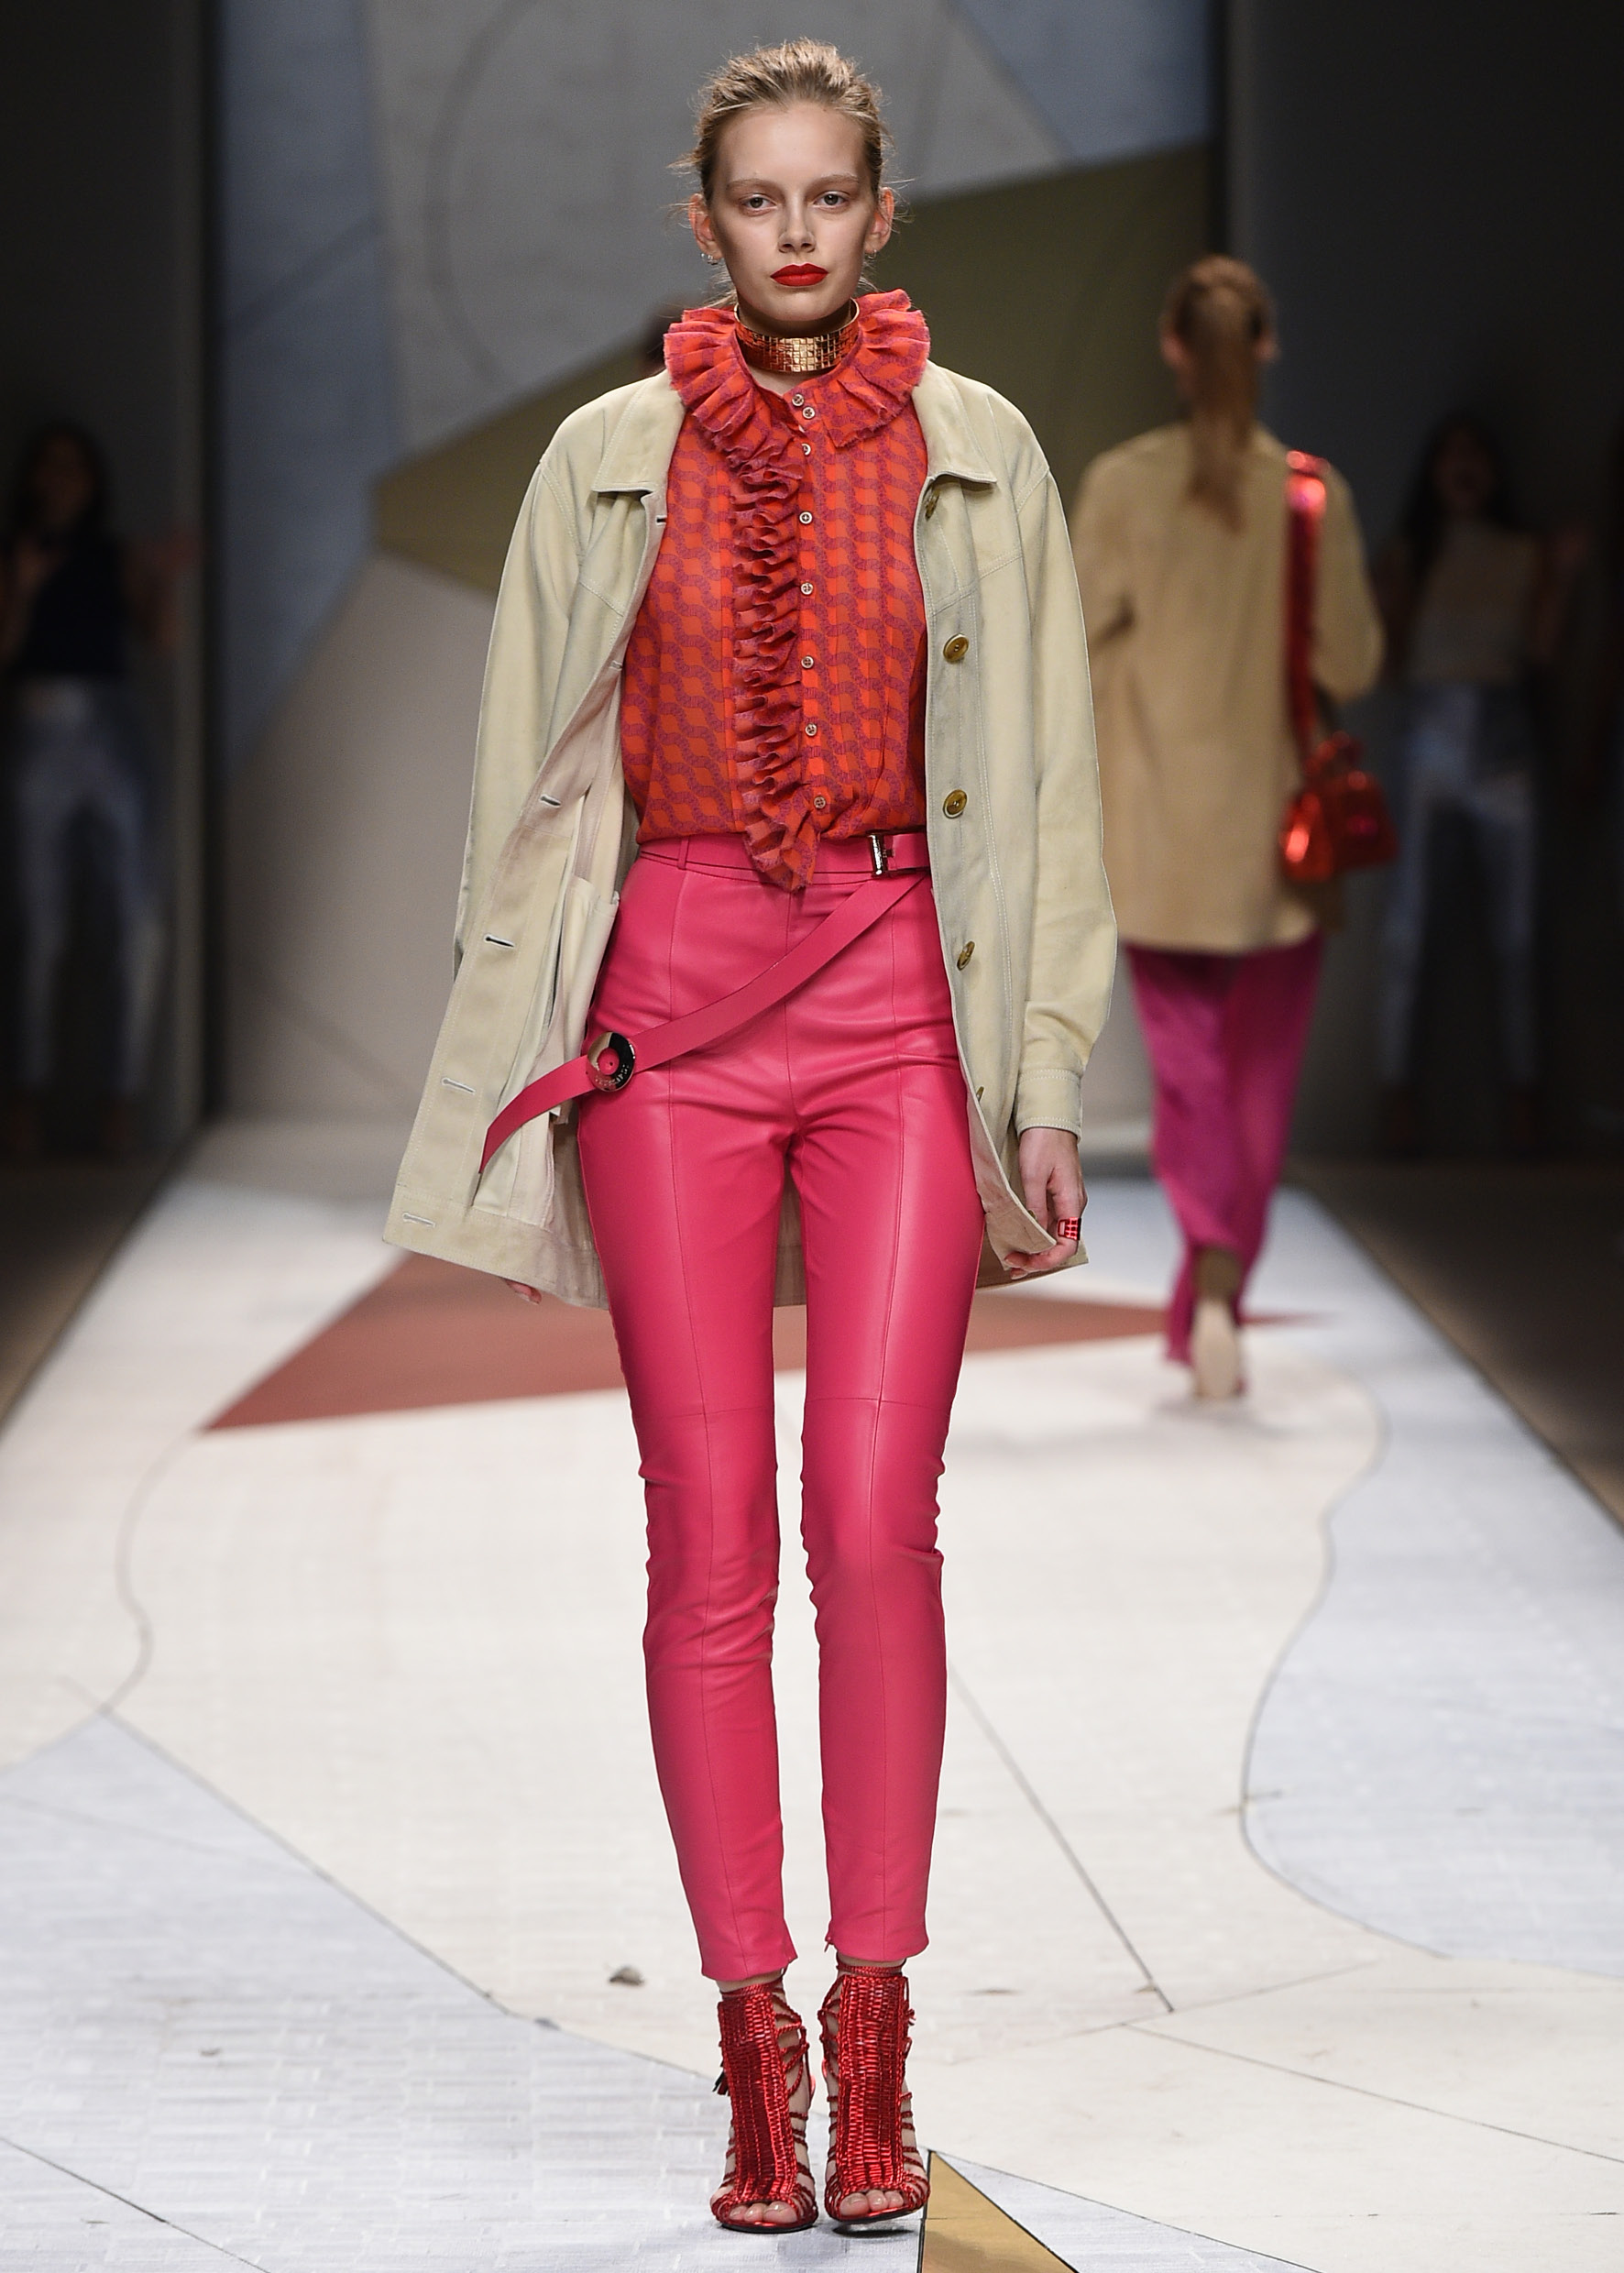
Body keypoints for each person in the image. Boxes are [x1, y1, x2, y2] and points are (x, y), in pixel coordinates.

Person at [387, 37, 1114, 2235]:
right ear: (701, 223)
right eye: (755, 198)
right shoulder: (601, 464)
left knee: (873, 1519)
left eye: (826, 195)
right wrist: (524, 1047)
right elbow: (522, 799)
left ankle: (875, 2023)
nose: (793, 231)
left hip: (901, 1011)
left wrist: (1045, 1072)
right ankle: (750, 2042)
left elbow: (1047, 790)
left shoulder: (980, 451)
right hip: (669, 1034)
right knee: (704, 1539)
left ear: (879, 213)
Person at [1071, 257, 1382, 1399]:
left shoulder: (1121, 484)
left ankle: (1204, 1286)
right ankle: (1214, 1293)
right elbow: (1352, 660)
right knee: (1255, 1083)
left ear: (1170, 347)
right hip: (1271, 832)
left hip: (1151, 825)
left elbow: (1068, 637)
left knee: (1190, 1076)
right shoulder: (1309, 495)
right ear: (1263, 346)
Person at [1373, 413, 1586, 1155]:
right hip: (1428, 741)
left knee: (1517, 934)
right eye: (1452, 453)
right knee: (1407, 930)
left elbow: (1542, 653)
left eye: (1476, 452)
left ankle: (1525, 1106)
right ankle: (1396, 1103)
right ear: (1433, 470)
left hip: (1504, 742)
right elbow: (1389, 669)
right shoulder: (1413, 553)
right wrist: (1386, 600)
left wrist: (1561, 578)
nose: (1464, 465)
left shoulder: (1524, 552)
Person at [1, 423, 181, 1158]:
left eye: (73, 466)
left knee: (138, 923)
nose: (60, 478)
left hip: (113, 725)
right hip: (39, 720)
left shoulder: (117, 556)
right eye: (49, 465)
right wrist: (22, 587)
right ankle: (24, 1101)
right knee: (38, 926)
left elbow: (162, 641)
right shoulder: (15, 554)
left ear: (93, 480)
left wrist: (161, 578)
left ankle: (119, 1101)